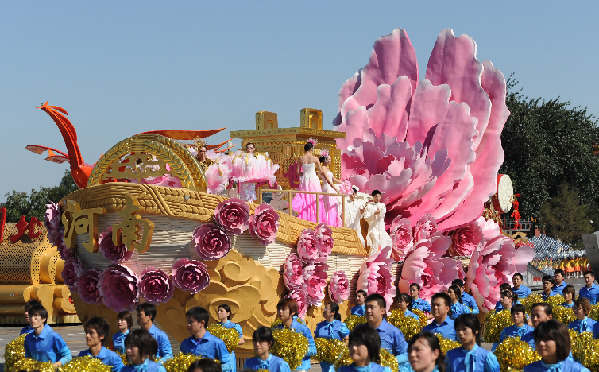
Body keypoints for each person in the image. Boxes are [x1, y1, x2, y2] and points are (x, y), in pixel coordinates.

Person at [523, 320, 590, 372]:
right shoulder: (530, 369)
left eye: (546, 339)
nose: (541, 343)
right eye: (538, 339)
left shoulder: (576, 370)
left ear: (559, 341)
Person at [180, 307, 233, 371]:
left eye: (191, 322)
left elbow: (228, 364)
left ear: (202, 323)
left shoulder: (216, 342)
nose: (188, 325)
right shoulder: (185, 343)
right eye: (188, 322)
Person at [364, 293, 408, 367]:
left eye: (372, 307)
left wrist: (388, 360)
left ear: (383, 311)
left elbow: (406, 354)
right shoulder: (360, 331)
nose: (368, 311)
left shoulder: (393, 332)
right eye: (366, 307)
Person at [272, 298, 316, 371]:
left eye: (283, 309)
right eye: (279, 309)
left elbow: (313, 350)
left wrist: (296, 351)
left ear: (293, 312)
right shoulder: (275, 330)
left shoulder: (302, 329)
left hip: (299, 368)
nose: (280, 312)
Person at [23, 304, 72, 368]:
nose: (32, 319)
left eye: (35, 316)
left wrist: (55, 365)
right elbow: (28, 358)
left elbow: (68, 356)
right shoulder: (28, 338)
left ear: (43, 319)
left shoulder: (54, 336)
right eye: (31, 316)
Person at [291, 139, 324, 223]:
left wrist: (304, 174)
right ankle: (316, 217)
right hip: (313, 178)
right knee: (315, 197)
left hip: (305, 179)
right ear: (311, 149)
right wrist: (316, 174)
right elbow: (321, 171)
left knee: (306, 197)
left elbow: (298, 172)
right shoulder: (315, 158)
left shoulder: (301, 158)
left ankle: (306, 216)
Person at [315, 302, 350, 372]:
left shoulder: (340, 325)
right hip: (324, 358)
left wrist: (339, 349)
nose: (324, 310)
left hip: (336, 358)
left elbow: (347, 339)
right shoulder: (320, 325)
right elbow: (316, 339)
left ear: (332, 313)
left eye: (326, 309)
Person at [361, 190, 392, 255]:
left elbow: (382, 215)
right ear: (373, 197)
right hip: (373, 228)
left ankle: (382, 256)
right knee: (375, 241)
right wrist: (374, 214)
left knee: (385, 241)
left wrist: (379, 213)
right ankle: (374, 257)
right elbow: (366, 218)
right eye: (376, 197)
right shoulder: (369, 206)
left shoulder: (382, 205)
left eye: (379, 196)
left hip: (380, 228)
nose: (377, 198)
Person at [217, 304, 244, 372]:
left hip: (228, 355)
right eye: (218, 311)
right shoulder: (216, 327)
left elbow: (242, 340)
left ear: (228, 314)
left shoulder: (234, 326)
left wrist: (229, 343)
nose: (218, 312)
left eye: (221, 311)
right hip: (218, 356)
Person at [319, 152, 341, 227]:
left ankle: (334, 223)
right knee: (328, 206)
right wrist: (335, 189)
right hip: (327, 188)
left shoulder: (327, 168)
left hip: (331, 187)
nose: (330, 160)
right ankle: (328, 224)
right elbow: (328, 180)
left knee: (333, 205)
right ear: (325, 160)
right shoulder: (322, 168)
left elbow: (333, 179)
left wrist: (343, 183)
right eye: (329, 159)